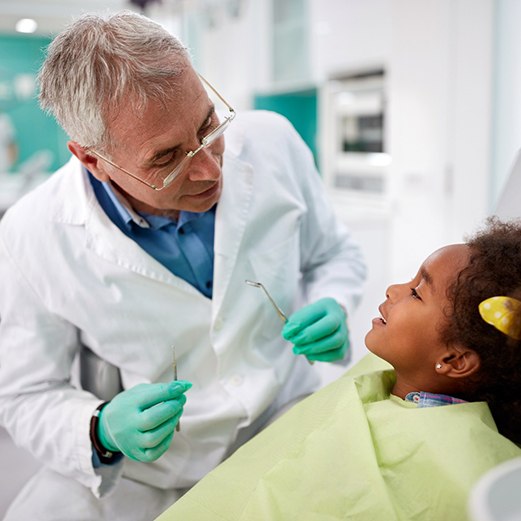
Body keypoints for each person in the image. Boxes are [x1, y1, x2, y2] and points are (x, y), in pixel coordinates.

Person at [0, 10, 366, 521]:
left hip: (289, 421)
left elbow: (334, 255)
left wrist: (334, 300)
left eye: (208, 124)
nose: (210, 167)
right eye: (166, 157)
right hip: (155, 474)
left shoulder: (273, 142)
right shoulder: (32, 234)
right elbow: (25, 394)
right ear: (91, 158)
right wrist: (99, 429)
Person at [155, 217, 521, 521]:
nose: (394, 288)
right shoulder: (386, 373)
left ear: (455, 360)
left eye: (416, 293)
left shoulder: (470, 470)